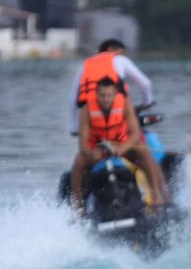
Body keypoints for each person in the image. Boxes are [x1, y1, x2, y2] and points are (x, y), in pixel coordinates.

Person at [70, 77, 168, 210]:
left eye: (109, 95)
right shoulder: (86, 109)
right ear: (96, 94)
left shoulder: (124, 104)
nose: (106, 99)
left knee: (143, 150)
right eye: (102, 95)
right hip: (98, 151)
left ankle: (157, 194)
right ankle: (78, 204)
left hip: (121, 148)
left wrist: (122, 148)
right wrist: (91, 153)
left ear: (115, 93)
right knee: (79, 159)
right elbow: (82, 143)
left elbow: (135, 133)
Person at [68, 38, 154, 137]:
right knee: (136, 134)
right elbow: (145, 83)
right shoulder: (120, 59)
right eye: (121, 53)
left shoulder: (85, 64)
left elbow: (73, 98)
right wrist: (147, 102)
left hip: (91, 115)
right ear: (110, 49)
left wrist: (74, 127)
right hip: (117, 111)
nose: (122, 55)